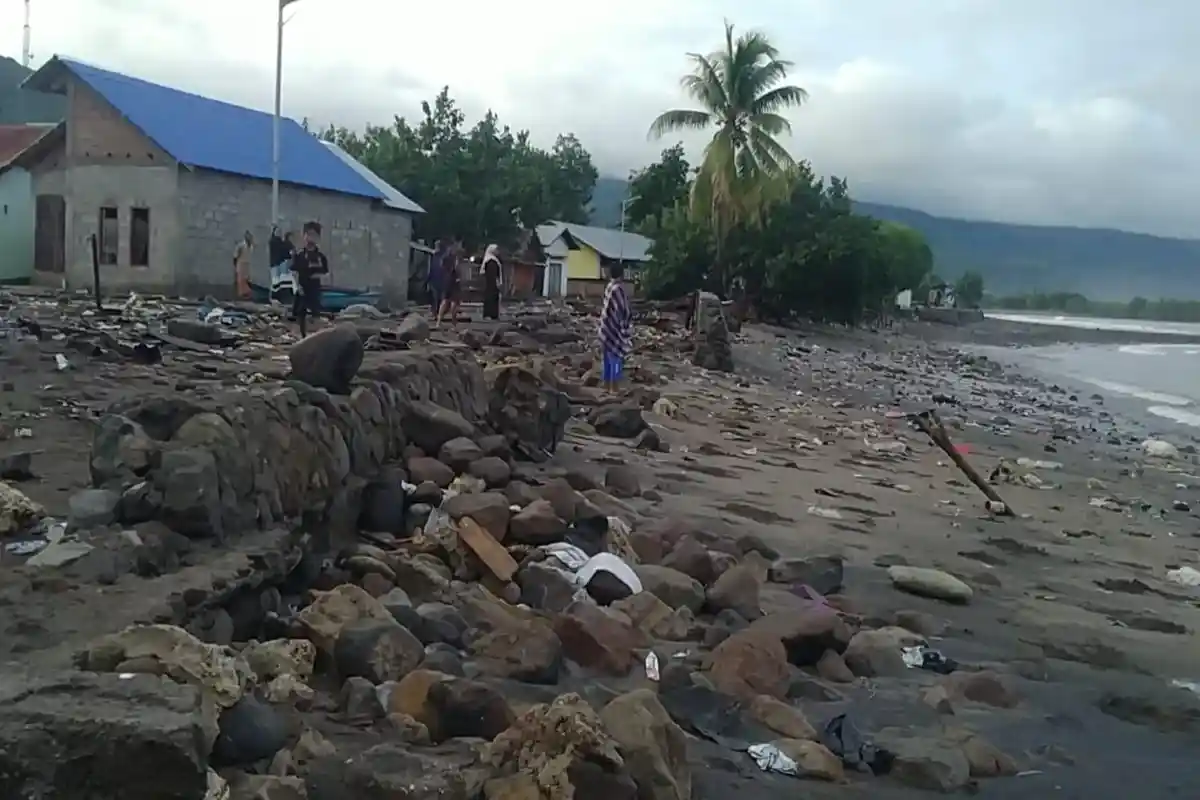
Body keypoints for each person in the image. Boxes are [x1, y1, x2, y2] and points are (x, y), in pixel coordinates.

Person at [598, 262, 632, 394]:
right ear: (622, 274)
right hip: (615, 330)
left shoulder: (609, 286)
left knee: (607, 359)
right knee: (616, 360)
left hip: (606, 329)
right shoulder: (618, 289)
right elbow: (624, 310)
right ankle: (614, 388)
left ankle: (606, 387)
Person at [290, 221, 328, 337]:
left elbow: (325, 273)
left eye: (313, 235)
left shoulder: (320, 257)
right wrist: (297, 286)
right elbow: (294, 272)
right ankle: (301, 336)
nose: (310, 237)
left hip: (314, 289)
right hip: (301, 289)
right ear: (304, 236)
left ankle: (314, 336)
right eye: (308, 234)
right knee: (300, 314)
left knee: (315, 315)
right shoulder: (299, 255)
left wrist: (315, 277)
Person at [435, 243, 462, 328]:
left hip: (446, 281)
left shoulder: (444, 258)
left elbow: (441, 267)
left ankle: (439, 321)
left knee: (445, 301)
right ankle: (453, 322)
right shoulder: (455, 259)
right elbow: (456, 269)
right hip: (453, 281)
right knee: (454, 302)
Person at [481, 243, 502, 320]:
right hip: (491, 283)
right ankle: (489, 314)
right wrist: (497, 282)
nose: (498, 252)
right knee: (490, 298)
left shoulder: (494, 260)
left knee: (493, 298)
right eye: (496, 250)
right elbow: (493, 274)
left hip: (491, 284)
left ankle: (493, 315)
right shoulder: (491, 261)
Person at [427, 239, 448, 314]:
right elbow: (431, 267)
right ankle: (435, 311)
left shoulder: (444, 256)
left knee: (439, 297)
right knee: (435, 297)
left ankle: (438, 311)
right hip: (435, 278)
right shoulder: (434, 255)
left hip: (441, 278)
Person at [232, 231, 254, 300]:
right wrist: (235, 265)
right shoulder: (241, 246)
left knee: (247, 279)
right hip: (240, 263)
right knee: (240, 280)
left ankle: (246, 295)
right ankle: (241, 295)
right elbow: (235, 256)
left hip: (247, 264)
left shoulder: (251, 246)